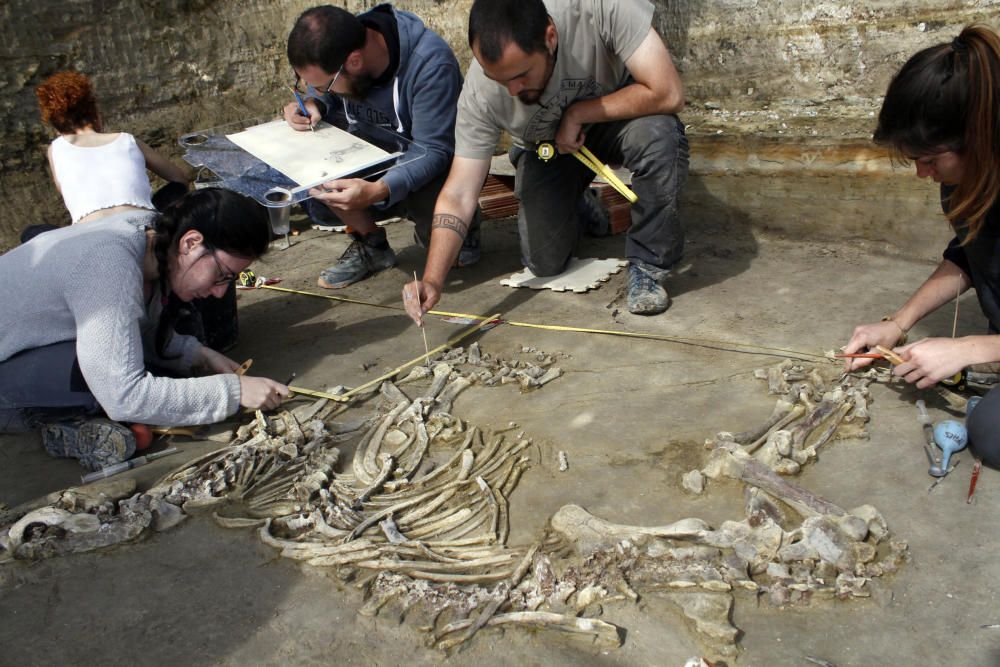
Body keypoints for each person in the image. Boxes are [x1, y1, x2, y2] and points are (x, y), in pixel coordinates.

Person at [402, 0, 689, 321]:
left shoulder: (599, 8)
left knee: (658, 134)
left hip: (621, 115)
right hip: (548, 147)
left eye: (522, 75)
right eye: (498, 78)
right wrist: (431, 279)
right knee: (543, 262)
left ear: (550, 37)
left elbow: (668, 92)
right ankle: (581, 203)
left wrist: (578, 113)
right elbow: (458, 194)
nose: (512, 91)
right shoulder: (479, 94)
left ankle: (648, 264)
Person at [0, 189, 290, 471]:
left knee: (140, 360)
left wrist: (196, 354)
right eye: (221, 276)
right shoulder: (109, 263)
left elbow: (134, 324)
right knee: (93, 376)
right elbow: (122, 395)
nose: (220, 293)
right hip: (10, 362)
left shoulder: (155, 236)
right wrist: (232, 391)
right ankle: (51, 421)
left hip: (33, 342)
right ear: (191, 243)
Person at [842, 25, 1000, 467]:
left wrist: (973, 350)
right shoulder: (967, 180)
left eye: (930, 160)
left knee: (992, 436)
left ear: (980, 136)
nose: (923, 175)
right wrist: (897, 323)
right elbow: (971, 254)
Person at [284, 4, 481, 289]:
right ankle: (372, 244)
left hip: (426, 167)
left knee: (451, 251)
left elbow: (435, 150)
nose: (319, 90)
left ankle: (465, 227)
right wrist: (315, 104)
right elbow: (324, 95)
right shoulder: (339, 50)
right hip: (372, 155)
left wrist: (378, 191)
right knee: (310, 166)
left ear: (353, 62)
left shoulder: (430, 63)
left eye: (325, 86)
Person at [34, 71, 192, 231]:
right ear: (94, 112)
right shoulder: (127, 140)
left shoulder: (55, 149)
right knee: (175, 188)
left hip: (88, 233)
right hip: (142, 226)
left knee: (33, 231)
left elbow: (68, 193)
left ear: (56, 124)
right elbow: (180, 178)